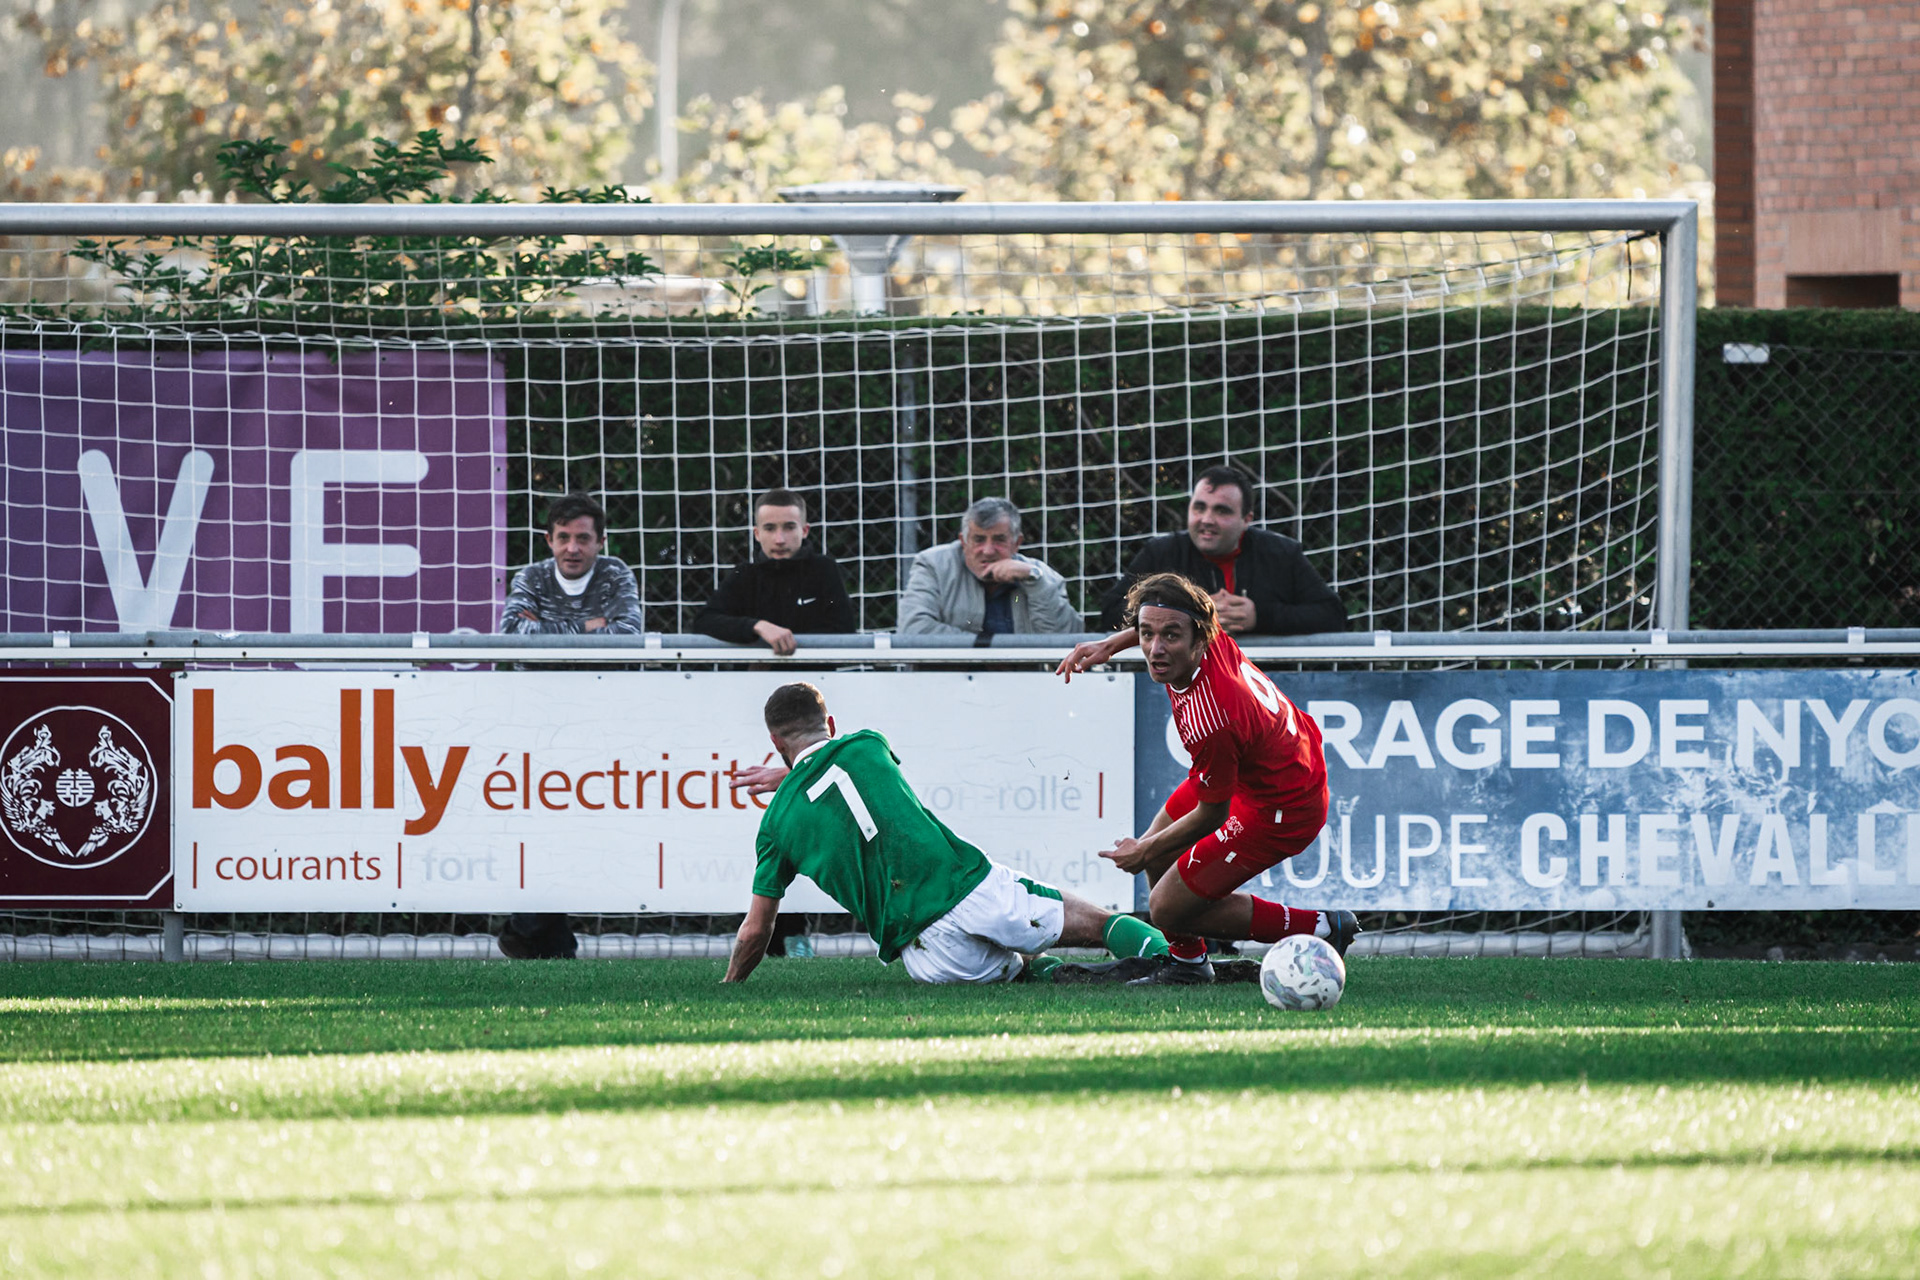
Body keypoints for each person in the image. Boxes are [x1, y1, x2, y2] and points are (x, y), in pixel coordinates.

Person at [723, 682, 1173, 984]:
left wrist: (729, 984)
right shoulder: (868, 745)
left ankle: (1047, 972)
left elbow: (756, 930)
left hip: (927, 953)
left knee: (1020, 971)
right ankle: (1180, 965)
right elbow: (840, 777)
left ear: (776, 743)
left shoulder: (775, 826)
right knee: (1100, 923)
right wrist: (794, 774)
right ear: (832, 725)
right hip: (971, 889)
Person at [1059, 572, 1360, 985]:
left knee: (1166, 907)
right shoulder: (1204, 634)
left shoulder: (1213, 714)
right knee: (1162, 854)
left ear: (1199, 638)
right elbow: (1163, 621)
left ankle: (1322, 926)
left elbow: (1212, 815)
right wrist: (1109, 645)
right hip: (1264, 772)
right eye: (1146, 634)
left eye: (1170, 637)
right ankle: (1188, 965)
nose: (1155, 649)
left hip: (1283, 806)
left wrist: (1142, 851)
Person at [495, 492, 645, 960]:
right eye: (563, 538)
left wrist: (551, 631)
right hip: (537, 720)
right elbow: (512, 635)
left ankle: (530, 929)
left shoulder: (616, 574)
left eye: (583, 538)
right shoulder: (531, 576)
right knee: (545, 822)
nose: (573, 548)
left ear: (601, 541)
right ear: (549, 540)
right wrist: (589, 628)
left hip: (602, 718)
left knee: (586, 824)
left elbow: (628, 635)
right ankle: (542, 934)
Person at [1098, 465, 1345, 636]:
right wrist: (1187, 613)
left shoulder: (1281, 554)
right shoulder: (1161, 553)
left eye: (1222, 511)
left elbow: (1333, 615)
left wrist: (1260, 616)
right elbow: (1111, 612)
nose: (1207, 519)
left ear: (1246, 519)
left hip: (1265, 682)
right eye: (1199, 508)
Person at [693, 488, 856, 655]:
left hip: (813, 670)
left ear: (804, 531)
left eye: (789, 527)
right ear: (757, 534)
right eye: (770, 528)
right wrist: (757, 626)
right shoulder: (744, 576)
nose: (779, 540)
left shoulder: (824, 570)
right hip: (754, 672)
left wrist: (789, 647)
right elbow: (704, 621)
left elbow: (844, 631)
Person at [897, 498, 1081, 637]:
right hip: (948, 675)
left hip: (1021, 676)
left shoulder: (1040, 575)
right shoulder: (933, 565)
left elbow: (1068, 640)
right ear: (963, 542)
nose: (988, 551)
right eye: (979, 540)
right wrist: (987, 654)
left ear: (1017, 543)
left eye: (999, 540)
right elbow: (913, 629)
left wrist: (1034, 582)